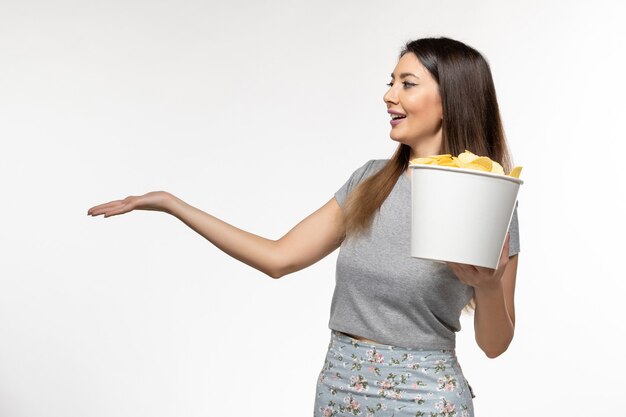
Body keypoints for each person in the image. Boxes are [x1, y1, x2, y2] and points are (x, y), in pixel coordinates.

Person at [87, 36, 520, 417]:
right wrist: (172, 204)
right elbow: (278, 258)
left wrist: (486, 286)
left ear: (452, 99)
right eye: (390, 82)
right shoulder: (369, 181)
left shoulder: (487, 199)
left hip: (426, 399)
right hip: (340, 388)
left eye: (407, 84)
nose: (389, 95)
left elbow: (495, 344)